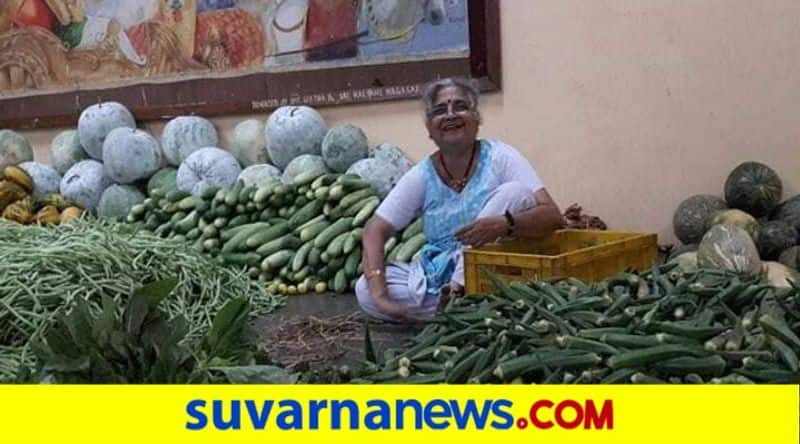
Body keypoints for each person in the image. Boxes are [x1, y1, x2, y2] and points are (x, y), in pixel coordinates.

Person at [355, 77, 565, 323]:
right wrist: (380, 295)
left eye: (460, 106)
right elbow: (374, 230)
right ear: (430, 129)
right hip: (439, 275)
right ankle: (463, 307)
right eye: (440, 110)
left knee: (515, 192)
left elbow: (552, 216)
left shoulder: (500, 157)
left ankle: (459, 294)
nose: (450, 115)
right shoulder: (423, 175)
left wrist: (505, 224)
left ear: (477, 120)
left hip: (495, 270)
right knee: (364, 289)